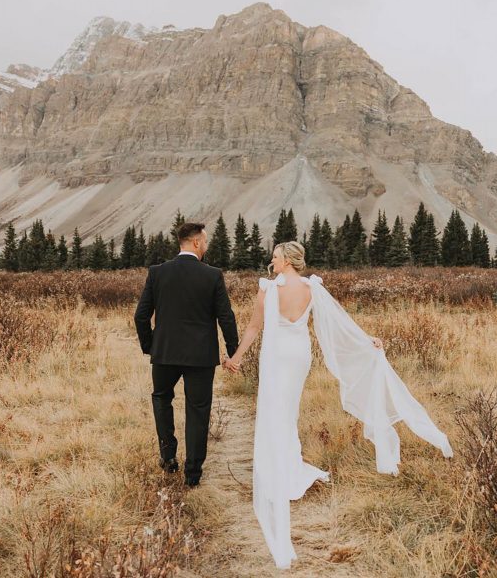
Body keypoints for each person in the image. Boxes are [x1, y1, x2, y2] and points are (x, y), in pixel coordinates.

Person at [224, 241, 453, 569]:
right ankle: (288, 468)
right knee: (288, 411)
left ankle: (281, 470)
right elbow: (339, 320)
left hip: (276, 357)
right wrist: (365, 340)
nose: (271, 260)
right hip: (299, 356)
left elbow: (253, 328)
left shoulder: (268, 290)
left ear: (287, 260)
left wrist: (236, 358)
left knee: (277, 413)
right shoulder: (310, 289)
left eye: (275, 255)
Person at [133, 222, 239, 487]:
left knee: (161, 399)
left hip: (165, 352)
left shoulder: (158, 273)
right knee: (198, 410)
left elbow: (141, 316)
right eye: (204, 241)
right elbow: (226, 317)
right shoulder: (212, 275)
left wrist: (151, 345)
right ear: (195, 243)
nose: (206, 245)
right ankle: (193, 474)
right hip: (201, 356)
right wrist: (233, 351)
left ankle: (168, 459)